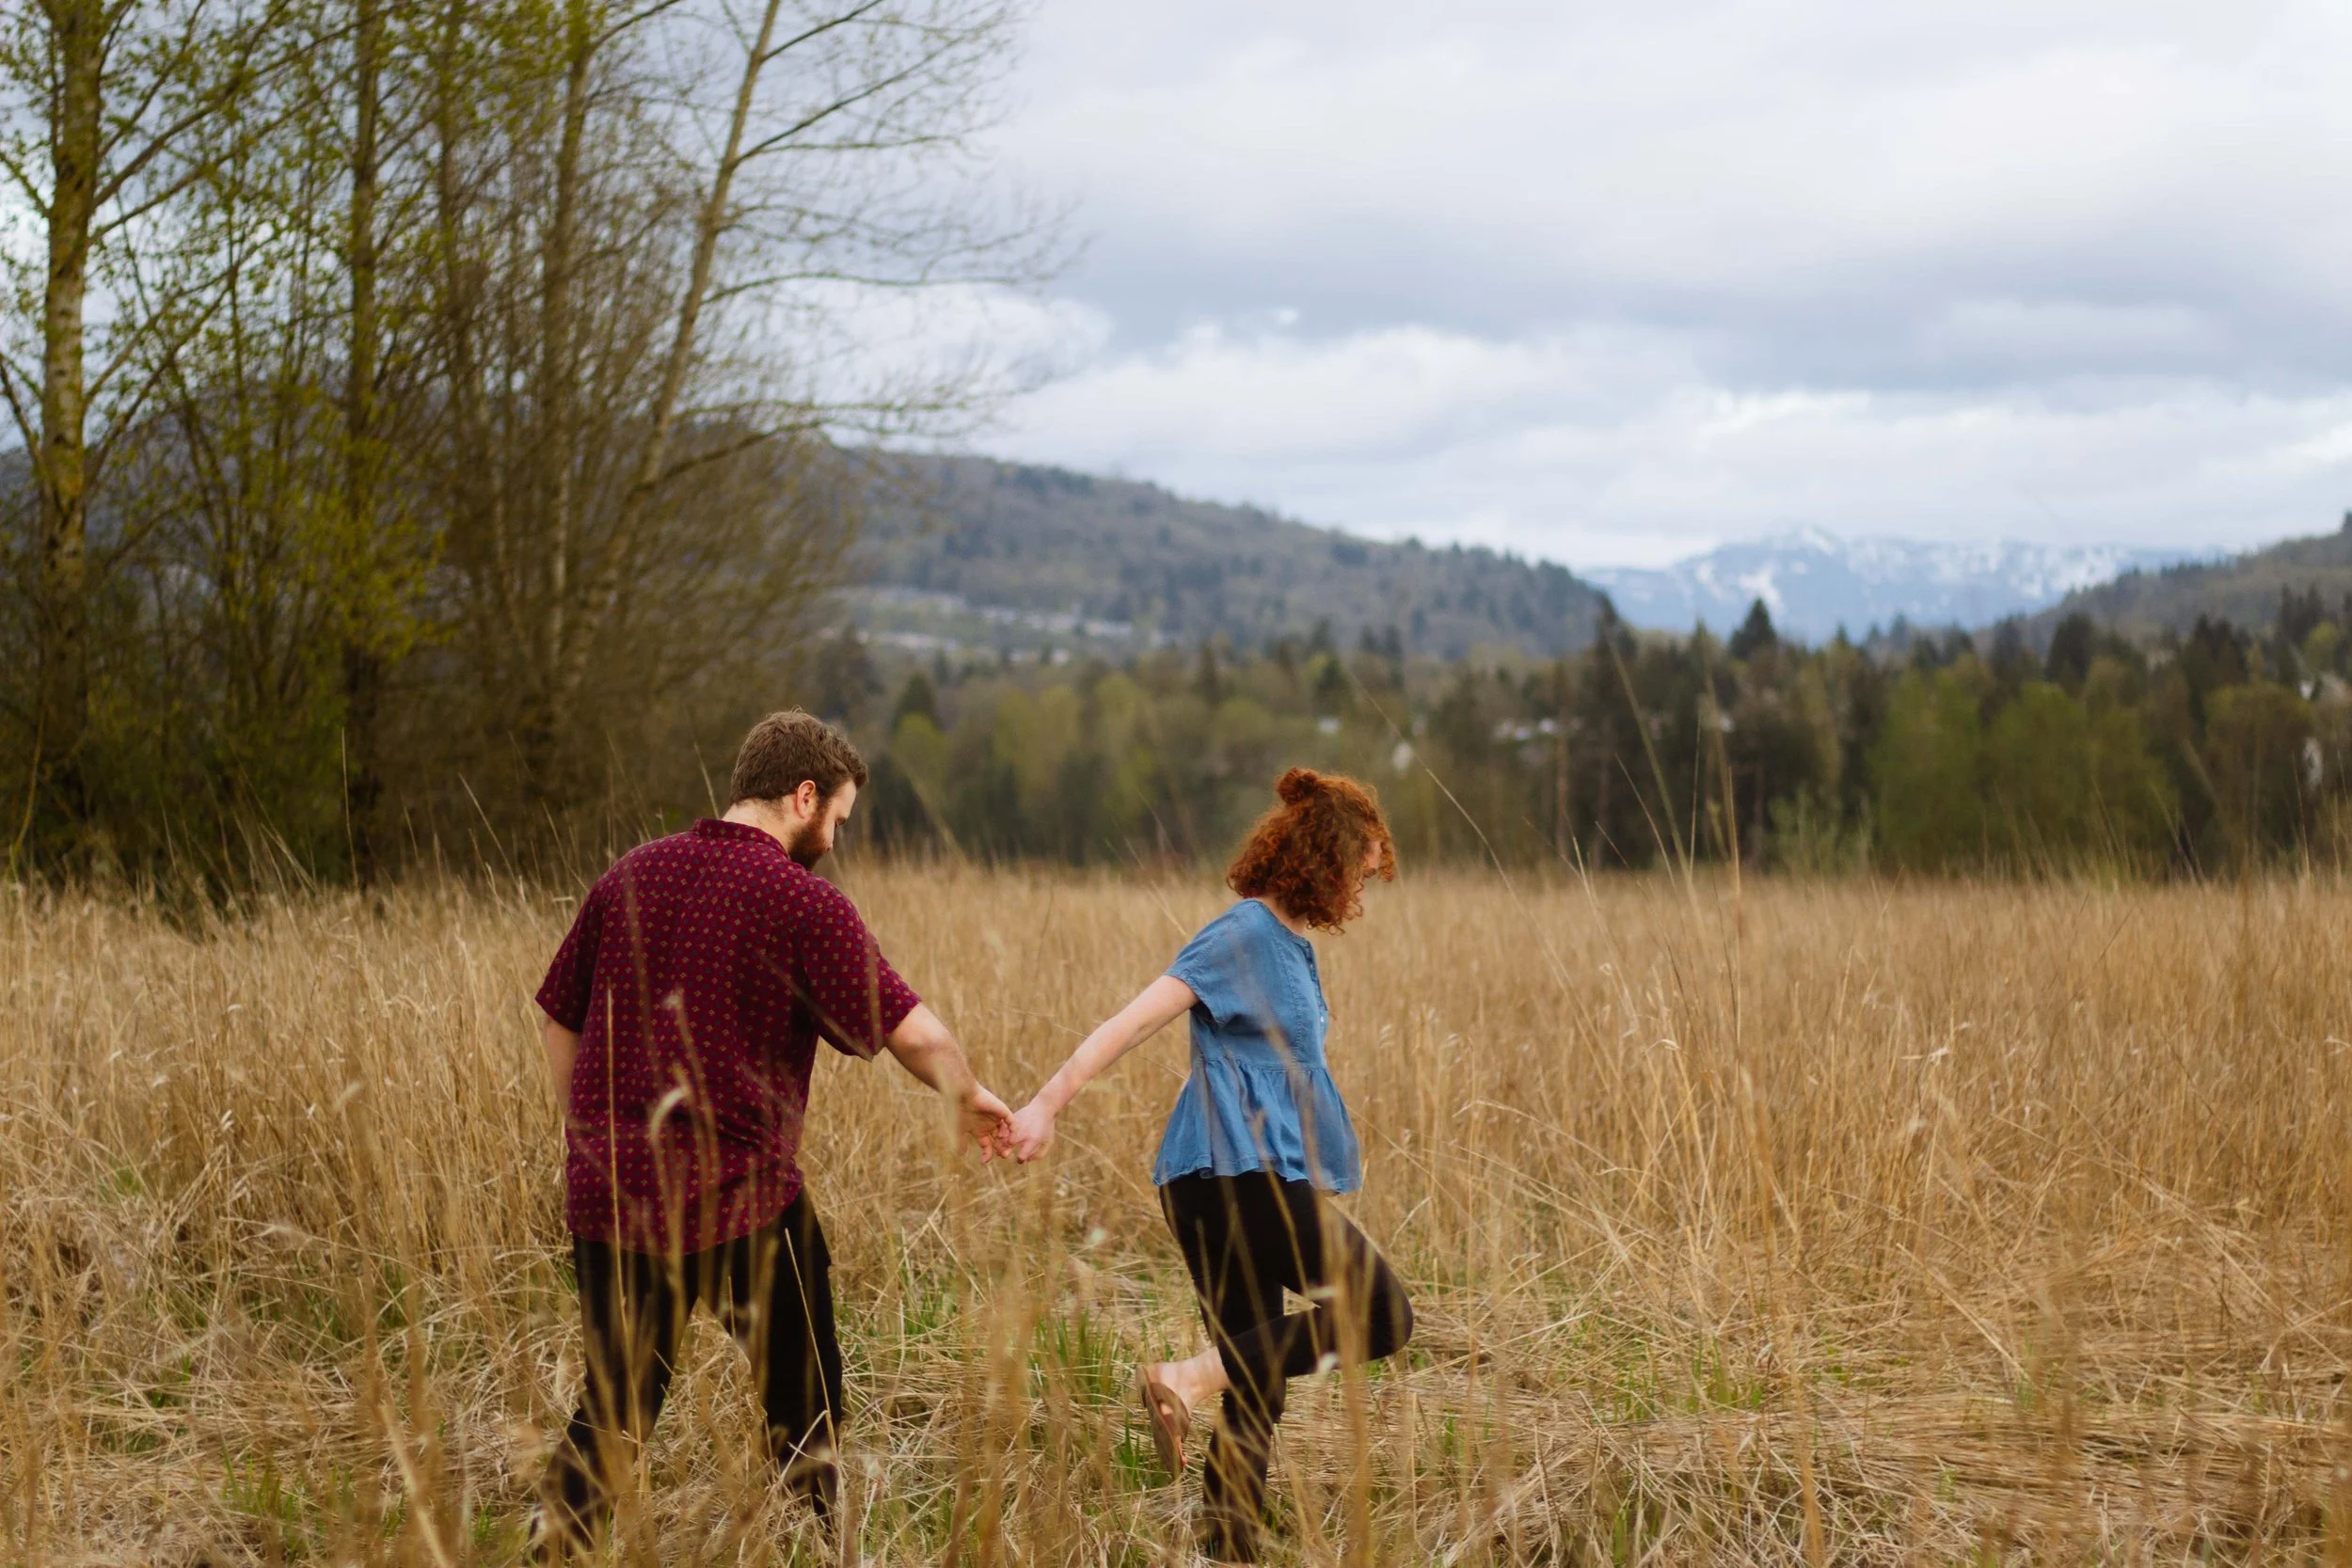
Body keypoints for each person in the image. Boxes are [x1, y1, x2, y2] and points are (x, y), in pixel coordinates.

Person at [530, 709, 1010, 1555]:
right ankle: (813, 1543)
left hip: (611, 1195)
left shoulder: (630, 874)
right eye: (840, 820)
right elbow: (914, 1031)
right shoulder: (800, 901)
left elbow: (558, 1013)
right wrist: (969, 1095)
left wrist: (588, 1134)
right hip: (739, 1201)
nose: (838, 840)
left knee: (618, 1405)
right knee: (804, 1394)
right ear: (803, 795)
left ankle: (553, 1545)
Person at [1000, 768, 1415, 1562]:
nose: (1362, 890)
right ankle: (1185, 1376)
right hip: (1230, 1173)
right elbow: (1131, 1021)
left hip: (1234, 1176)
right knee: (1384, 1312)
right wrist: (1048, 1103)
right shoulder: (1242, 935)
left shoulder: (1292, 948)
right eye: (1361, 870)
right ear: (1326, 858)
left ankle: (1226, 1548)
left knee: (1258, 1385)